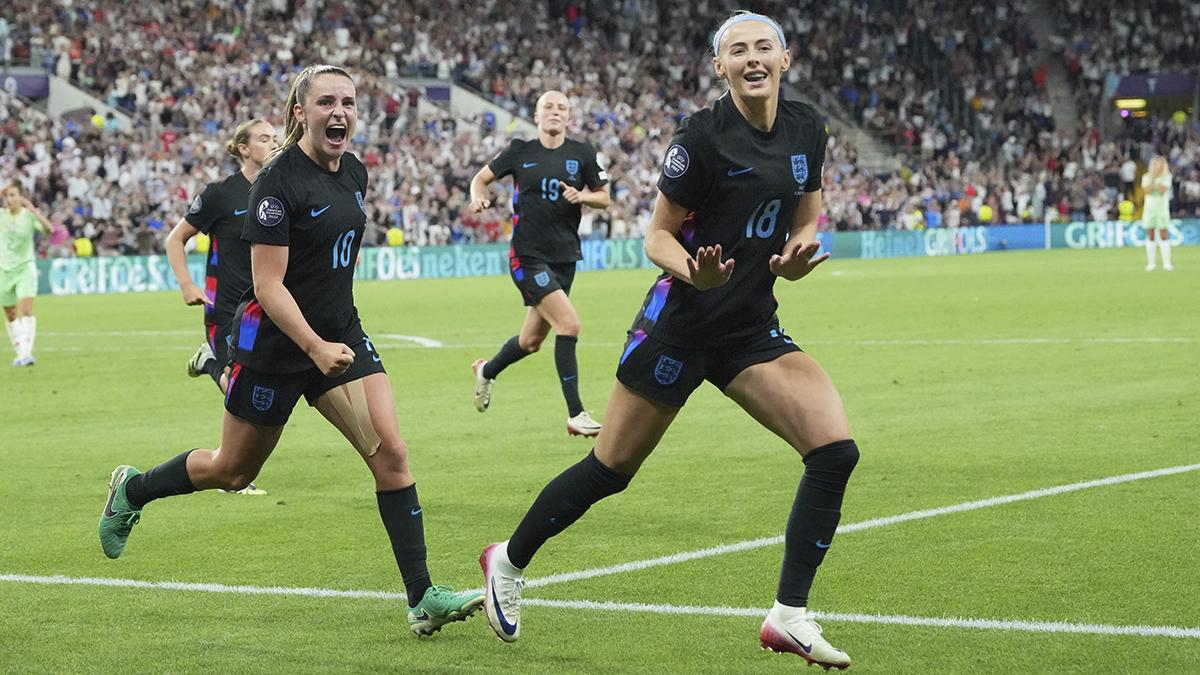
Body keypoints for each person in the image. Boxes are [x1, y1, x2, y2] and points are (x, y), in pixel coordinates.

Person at [479, 13, 858, 669]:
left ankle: (788, 615)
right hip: (678, 326)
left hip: (748, 328)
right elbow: (654, 237)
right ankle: (506, 561)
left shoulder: (806, 130)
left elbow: (808, 209)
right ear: (720, 68)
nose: (752, 58)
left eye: (763, 46)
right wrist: (695, 271)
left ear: (785, 58)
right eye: (737, 50)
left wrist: (795, 254)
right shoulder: (701, 138)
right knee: (608, 470)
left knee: (834, 450)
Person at [98, 65, 483, 635]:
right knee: (232, 470)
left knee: (391, 455)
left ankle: (421, 596)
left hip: (342, 337)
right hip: (277, 346)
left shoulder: (354, 170)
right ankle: (132, 489)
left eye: (349, 102)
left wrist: (335, 339)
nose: (340, 112)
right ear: (300, 111)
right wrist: (313, 346)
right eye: (326, 101)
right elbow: (267, 285)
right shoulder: (276, 185)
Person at [468, 90, 611, 437]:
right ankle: (576, 414)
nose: (555, 112)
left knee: (531, 341)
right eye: (549, 106)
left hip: (565, 257)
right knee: (570, 325)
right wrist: (478, 197)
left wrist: (584, 196)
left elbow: (604, 198)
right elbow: (481, 178)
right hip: (527, 256)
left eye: (562, 107)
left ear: (568, 116)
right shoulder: (521, 151)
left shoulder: (583, 153)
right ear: (536, 114)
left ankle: (486, 371)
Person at [164, 119, 279, 496]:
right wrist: (186, 285)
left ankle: (207, 363)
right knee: (238, 383)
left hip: (269, 309)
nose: (273, 143)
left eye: (276, 138)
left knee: (259, 385)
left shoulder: (281, 189)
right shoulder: (220, 195)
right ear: (244, 148)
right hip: (227, 309)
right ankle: (233, 470)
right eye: (264, 138)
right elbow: (175, 239)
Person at [1, 183, 53, 367]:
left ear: (21, 197)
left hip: (25, 266)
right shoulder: (1, 216)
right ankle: (20, 352)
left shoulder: (28, 216)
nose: (9, 199)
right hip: (4, 269)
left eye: (13, 195)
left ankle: (26, 354)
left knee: (26, 309)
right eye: (6, 196)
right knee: (10, 312)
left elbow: (50, 230)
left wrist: (33, 210)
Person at [1141, 156, 1173, 271]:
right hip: (1149, 209)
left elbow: (1162, 190)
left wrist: (1154, 183)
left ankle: (1167, 262)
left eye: (1158, 164)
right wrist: (1154, 180)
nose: (1155, 166)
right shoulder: (1146, 177)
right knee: (1150, 235)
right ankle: (1151, 263)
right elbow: (1147, 190)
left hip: (1162, 209)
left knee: (1164, 235)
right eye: (1154, 164)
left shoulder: (1167, 177)